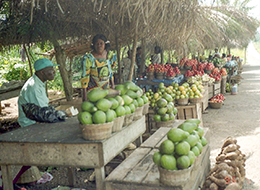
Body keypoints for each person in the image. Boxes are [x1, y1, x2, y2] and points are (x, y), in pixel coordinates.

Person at [18, 58, 59, 127]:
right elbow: (44, 114)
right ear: (42, 72)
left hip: (37, 120)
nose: (54, 72)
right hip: (30, 125)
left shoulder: (38, 82)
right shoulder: (34, 88)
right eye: (51, 69)